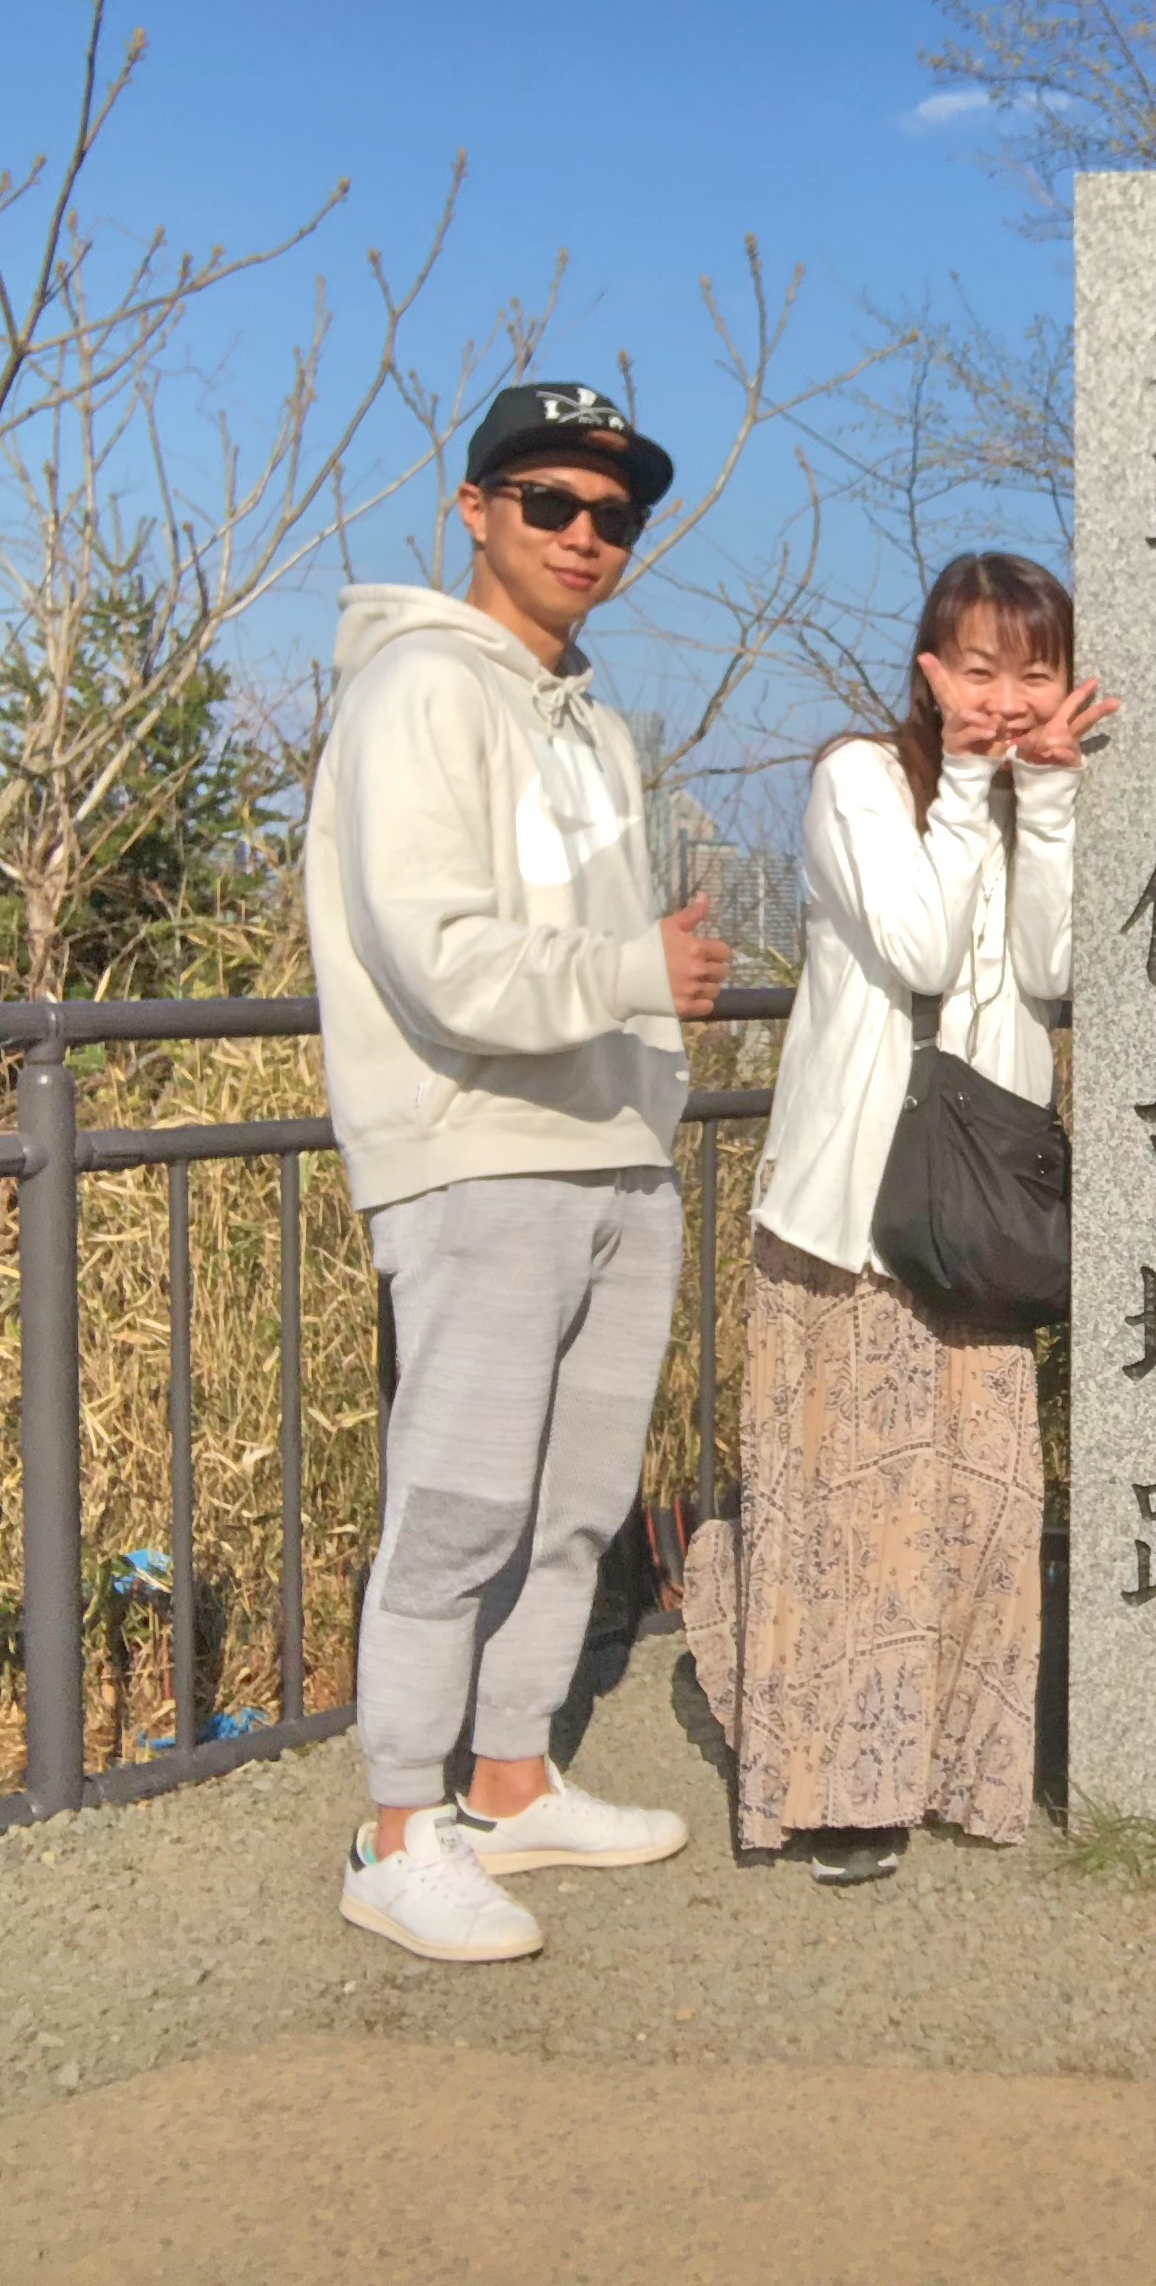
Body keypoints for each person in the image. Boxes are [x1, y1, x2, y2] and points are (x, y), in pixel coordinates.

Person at [310, 379, 729, 1964]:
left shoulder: (589, 720)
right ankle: (393, 1831)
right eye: (548, 501)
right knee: (460, 1504)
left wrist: (643, 1027)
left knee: (573, 1507)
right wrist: (632, 973)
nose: (584, 534)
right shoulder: (421, 687)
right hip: (479, 1154)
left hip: (610, 1150)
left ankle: (509, 1782)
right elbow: (434, 956)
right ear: (475, 509)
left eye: (614, 514)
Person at [684, 554, 1109, 1886]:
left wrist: (1046, 796)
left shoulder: (1039, 795)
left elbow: (1055, 966)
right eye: (977, 667)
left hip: (978, 1214)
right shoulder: (859, 781)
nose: (1005, 696)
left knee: (976, 1510)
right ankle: (835, 1788)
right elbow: (921, 945)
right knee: (849, 1515)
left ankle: (955, 1768)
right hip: (854, 1221)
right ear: (927, 670)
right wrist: (972, 786)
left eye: (1034, 671)